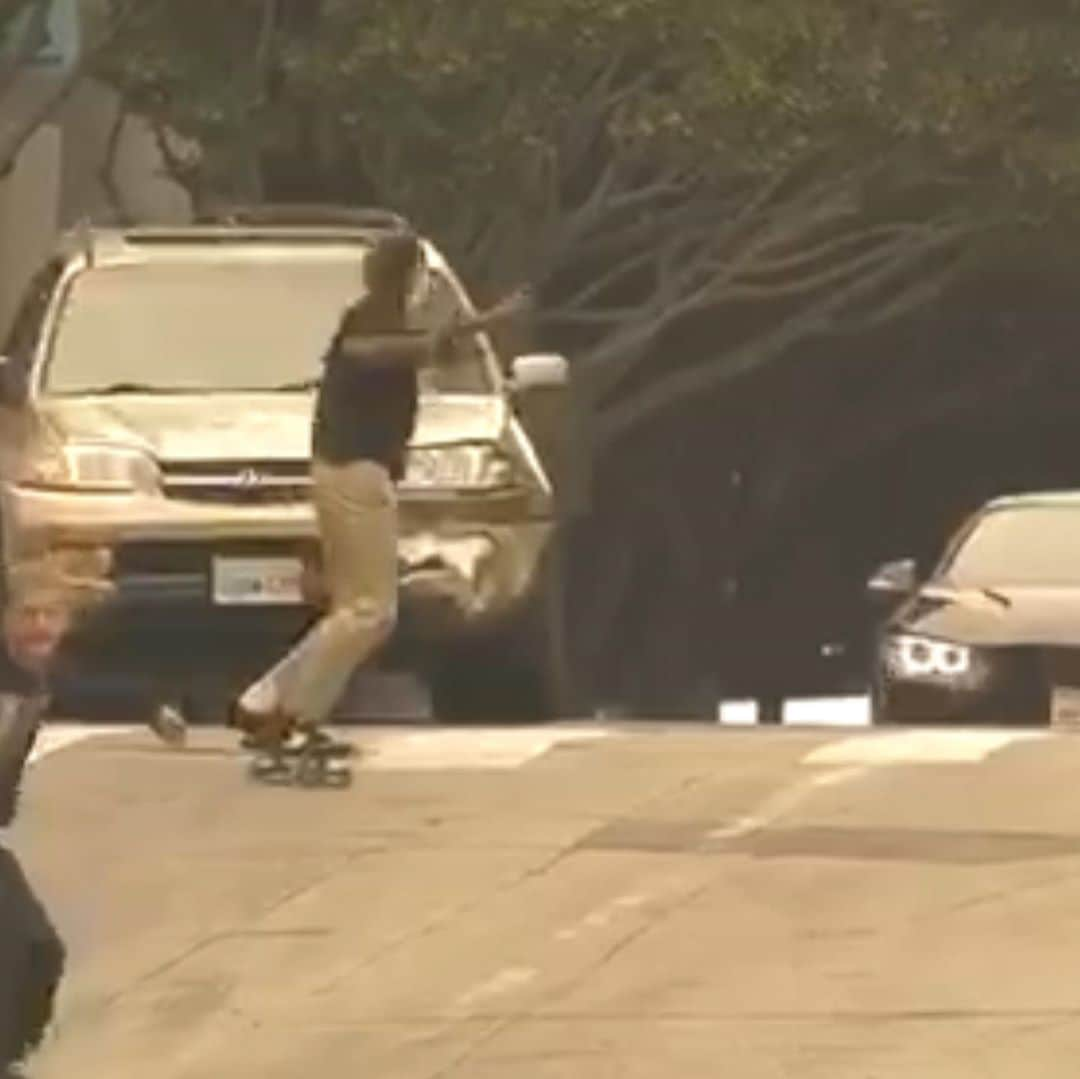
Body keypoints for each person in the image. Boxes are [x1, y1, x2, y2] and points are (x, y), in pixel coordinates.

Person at [230, 232, 454, 747]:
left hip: (344, 472)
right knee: (371, 611)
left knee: (354, 608)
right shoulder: (371, 321)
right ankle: (296, 715)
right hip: (356, 472)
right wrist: (445, 330)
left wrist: (473, 326)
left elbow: (420, 350)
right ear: (411, 275)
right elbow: (380, 353)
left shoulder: (381, 319)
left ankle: (266, 702)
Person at [0, 563, 72, 1076]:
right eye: (27, 615)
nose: (40, 627)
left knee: (40, 951)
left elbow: (95, 687)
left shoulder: (36, 679)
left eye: (53, 615)